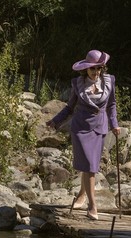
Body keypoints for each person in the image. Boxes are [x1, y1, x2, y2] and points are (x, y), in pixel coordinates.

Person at [46, 50, 121, 221]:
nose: (96, 72)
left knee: (90, 166)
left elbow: (111, 106)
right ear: (86, 69)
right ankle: (92, 205)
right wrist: (55, 121)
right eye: (93, 69)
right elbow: (69, 107)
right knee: (89, 167)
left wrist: (114, 125)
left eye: (99, 69)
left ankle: (81, 194)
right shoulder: (78, 84)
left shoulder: (109, 81)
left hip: (99, 128)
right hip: (80, 128)